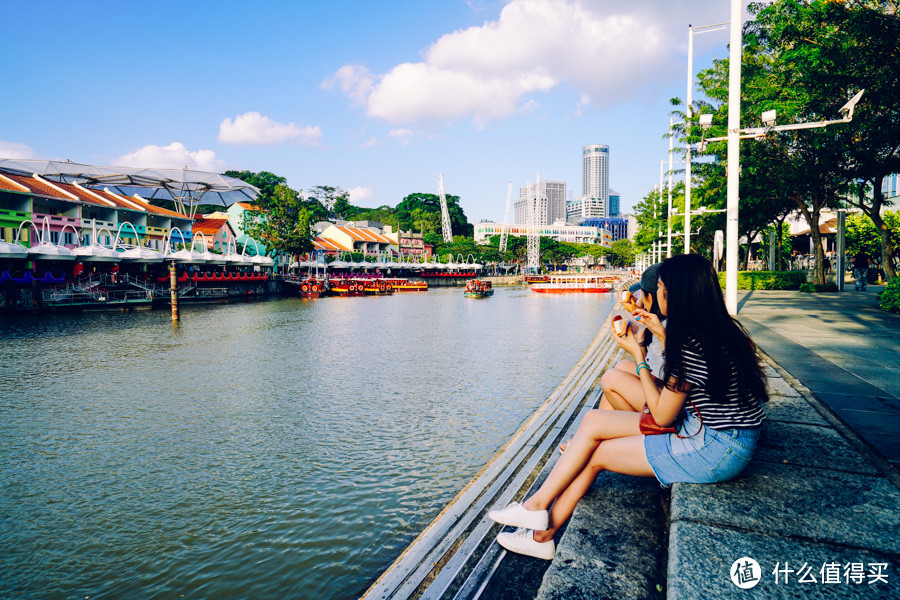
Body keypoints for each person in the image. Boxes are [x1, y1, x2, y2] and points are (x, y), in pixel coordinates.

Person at [488, 254, 767, 560]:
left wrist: (638, 355)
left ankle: (542, 535)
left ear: (675, 293)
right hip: (720, 432)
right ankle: (536, 507)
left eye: (661, 287)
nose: (658, 293)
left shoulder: (689, 346)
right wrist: (660, 336)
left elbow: (662, 415)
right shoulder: (718, 329)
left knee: (599, 454)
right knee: (594, 421)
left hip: (716, 447)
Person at [598, 263, 665, 412]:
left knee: (611, 379)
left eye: (641, 294)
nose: (637, 298)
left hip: (669, 408)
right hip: (667, 394)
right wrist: (637, 312)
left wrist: (638, 345)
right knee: (621, 367)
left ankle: (615, 426)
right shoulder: (661, 323)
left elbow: (654, 377)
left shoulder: (664, 327)